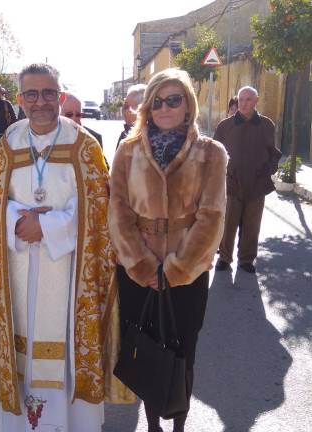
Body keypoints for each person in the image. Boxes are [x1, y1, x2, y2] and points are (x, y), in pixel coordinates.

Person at [0, 63, 132, 431]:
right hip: (18, 269)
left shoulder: (83, 144)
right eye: (32, 94)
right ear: (20, 99)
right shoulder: (9, 140)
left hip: (69, 272)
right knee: (22, 354)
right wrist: (19, 222)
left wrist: (47, 226)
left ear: (61, 97)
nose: (41, 102)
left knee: (68, 353)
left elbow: (98, 208)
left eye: (49, 93)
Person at [108, 68, 227, 432]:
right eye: (157, 101)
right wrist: (143, 265)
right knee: (144, 344)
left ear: (188, 105)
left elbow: (211, 218)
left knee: (182, 350)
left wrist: (175, 269)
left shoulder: (211, 153)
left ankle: (179, 423)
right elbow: (119, 211)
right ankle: (153, 424)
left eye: (173, 99)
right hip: (136, 270)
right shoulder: (128, 150)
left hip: (187, 273)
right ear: (147, 106)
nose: (164, 107)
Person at [214, 86, 282, 274]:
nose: (244, 103)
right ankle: (225, 257)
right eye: (241, 99)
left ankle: (246, 259)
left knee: (252, 225)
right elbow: (215, 154)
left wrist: (268, 170)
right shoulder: (225, 126)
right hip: (232, 184)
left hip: (257, 184)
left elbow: (273, 153)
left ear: (256, 101)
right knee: (228, 223)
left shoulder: (267, 125)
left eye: (248, 99)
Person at [116, 84, 146, 149]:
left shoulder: (150, 137)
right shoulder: (124, 134)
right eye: (125, 106)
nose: (123, 110)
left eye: (126, 106)